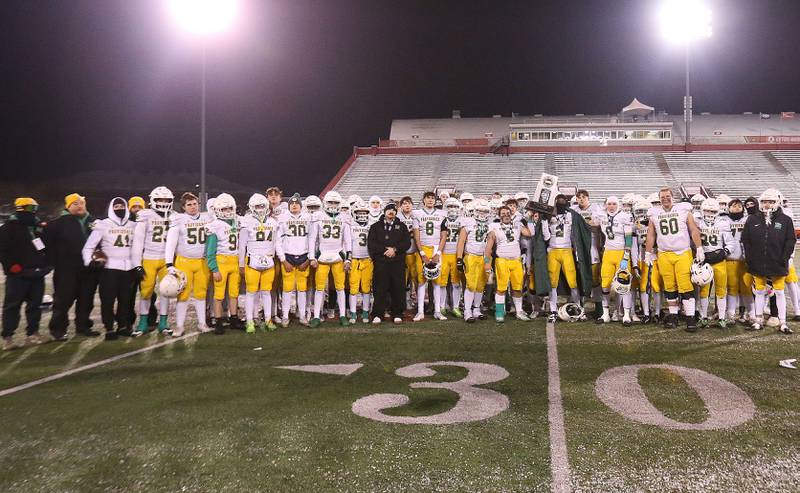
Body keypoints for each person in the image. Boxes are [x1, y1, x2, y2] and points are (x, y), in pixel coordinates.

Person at [644, 187, 703, 331]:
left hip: (682, 253)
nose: (665, 198)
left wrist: (699, 247)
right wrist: (648, 252)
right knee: (669, 287)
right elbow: (651, 235)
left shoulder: (683, 209)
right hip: (664, 254)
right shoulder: (654, 213)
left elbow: (693, 229)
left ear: (673, 197)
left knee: (686, 286)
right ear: (659, 199)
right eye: (662, 197)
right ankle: (673, 316)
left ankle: (690, 318)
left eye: (667, 196)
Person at [43, 193, 100, 339]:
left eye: (81, 203)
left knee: (86, 300)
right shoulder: (57, 224)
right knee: (63, 301)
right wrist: (54, 262)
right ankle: (58, 330)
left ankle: (83, 327)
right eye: (75, 204)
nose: (79, 206)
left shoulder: (94, 222)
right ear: (68, 207)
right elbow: (46, 245)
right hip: (66, 270)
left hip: (89, 269)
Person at [741, 188, 796, 333]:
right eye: (765, 201)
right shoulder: (752, 219)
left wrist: (784, 257)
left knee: (779, 292)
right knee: (759, 292)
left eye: (771, 202)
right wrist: (750, 258)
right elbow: (745, 240)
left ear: (777, 202)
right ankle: (758, 320)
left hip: (777, 263)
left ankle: (782, 322)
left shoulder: (785, 220)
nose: (767, 204)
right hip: (758, 263)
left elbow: (790, 241)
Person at [82, 197, 137, 340]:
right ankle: (109, 328)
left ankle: (123, 326)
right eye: (116, 206)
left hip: (128, 268)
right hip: (109, 268)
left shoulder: (133, 225)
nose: (119, 208)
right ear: (111, 208)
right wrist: (89, 262)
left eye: (122, 205)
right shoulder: (102, 224)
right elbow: (89, 246)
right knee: (108, 300)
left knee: (126, 300)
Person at [0, 198, 51, 349]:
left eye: (34, 207)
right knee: (12, 306)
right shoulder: (8, 227)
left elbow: (44, 248)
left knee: (35, 305)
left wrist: (46, 265)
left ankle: (32, 334)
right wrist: (11, 266)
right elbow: (2, 250)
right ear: (20, 208)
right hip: (17, 274)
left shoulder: (37, 227)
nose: (33, 211)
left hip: (36, 273)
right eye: (29, 207)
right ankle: (8, 337)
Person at [165, 192, 212, 336]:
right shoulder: (178, 219)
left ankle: (202, 323)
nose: (193, 207)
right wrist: (169, 263)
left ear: (199, 204)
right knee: (183, 294)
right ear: (183, 207)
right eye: (189, 205)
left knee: (201, 293)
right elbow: (171, 242)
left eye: (195, 204)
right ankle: (179, 326)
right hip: (184, 261)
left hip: (202, 261)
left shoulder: (207, 217)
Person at [131, 186, 175, 336]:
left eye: (166, 200)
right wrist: (137, 264)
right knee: (146, 292)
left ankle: (163, 323)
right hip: (149, 258)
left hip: (166, 260)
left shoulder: (174, 216)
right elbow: (138, 241)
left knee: (166, 291)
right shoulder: (145, 215)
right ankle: (143, 323)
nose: (163, 202)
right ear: (152, 201)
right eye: (160, 200)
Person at [308, 191, 352, 327]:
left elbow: (347, 240)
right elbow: (312, 238)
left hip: (338, 256)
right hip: (321, 256)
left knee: (340, 287)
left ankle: (343, 315)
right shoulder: (317, 216)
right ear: (325, 203)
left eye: (335, 203)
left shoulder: (344, 218)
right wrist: (311, 257)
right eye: (330, 202)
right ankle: (316, 315)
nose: (333, 205)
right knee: (320, 288)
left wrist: (348, 258)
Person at [484, 205, 533, 322]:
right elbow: (488, 249)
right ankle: (500, 311)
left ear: (511, 215)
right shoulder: (494, 227)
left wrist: (530, 219)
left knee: (517, 288)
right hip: (502, 261)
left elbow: (529, 233)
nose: (506, 216)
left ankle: (519, 311)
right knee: (501, 288)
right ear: (499, 216)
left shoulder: (517, 225)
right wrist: (487, 263)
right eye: (503, 214)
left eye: (508, 213)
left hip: (516, 261)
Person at [239, 193, 279, 332]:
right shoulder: (246, 221)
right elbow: (242, 245)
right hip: (252, 260)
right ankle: (250, 321)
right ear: (251, 207)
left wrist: (275, 256)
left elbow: (275, 243)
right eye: (257, 206)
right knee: (251, 293)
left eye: (262, 205)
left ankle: (268, 319)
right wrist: (241, 264)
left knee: (266, 292)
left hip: (268, 260)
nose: (260, 208)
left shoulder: (273, 222)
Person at [205, 193, 242, 334]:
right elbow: (210, 250)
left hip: (234, 261)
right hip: (221, 262)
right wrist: (214, 269)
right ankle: (218, 320)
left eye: (229, 208)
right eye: (225, 209)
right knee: (219, 294)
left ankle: (233, 319)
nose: (228, 211)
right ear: (219, 210)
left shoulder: (237, 221)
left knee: (234, 293)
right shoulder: (214, 225)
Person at [596, 196, 637, 325]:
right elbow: (592, 224)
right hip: (608, 253)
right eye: (609, 204)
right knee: (605, 284)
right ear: (606, 205)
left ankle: (626, 315)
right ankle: (606, 314)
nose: (611, 206)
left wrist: (626, 255)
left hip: (621, 253)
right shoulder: (602, 216)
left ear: (618, 205)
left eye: (614, 204)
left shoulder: (624, 216)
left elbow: (629, 238)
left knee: (624, 284)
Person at [368, 203, 411, 324]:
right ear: (384, 211)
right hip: (381, 262)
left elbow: (406, 243)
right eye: (389, 210)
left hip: (397, 262)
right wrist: (385, 250)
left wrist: (395, 249)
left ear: (396, 213)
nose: (391, 212)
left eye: (393, 210)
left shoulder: (402, 226)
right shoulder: (375, 226)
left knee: (398, 288)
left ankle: (397, 313)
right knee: (379, 288)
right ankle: (378, 314)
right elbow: (371, 244)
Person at [276, 193, 312, 328]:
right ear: (289, 206)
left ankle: (302, 316)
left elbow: (312, 240)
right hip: (288, 256)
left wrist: (308, 259)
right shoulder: (282, 218)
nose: (294, 205)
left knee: (302, 289)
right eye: (292, 204)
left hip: (303, 256)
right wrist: (283, 260)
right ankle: (285, 316)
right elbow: (278, 242)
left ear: (301, 206)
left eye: (297, 204)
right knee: (287, 289)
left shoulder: (308, 218)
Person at [412, 191, 447, 321]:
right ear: (423, 200)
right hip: (423, 249)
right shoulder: (417, 214)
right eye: (428, 198)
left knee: (437, 280)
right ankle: (420, 311)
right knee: (421, 281)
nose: (431, 200)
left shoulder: (442, 214)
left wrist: (438, 253)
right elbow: (416, 235)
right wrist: (422, 253)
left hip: (436, 248)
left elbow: (444, 235)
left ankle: (437, 311)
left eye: (433, 198)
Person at [349, 200, 374, 324]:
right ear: (354, 213)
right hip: (354, 259)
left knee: (366, 288)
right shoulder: (350, 224)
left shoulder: (371, 224)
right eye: (360, 212)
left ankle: (365, 311)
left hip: (367, 259)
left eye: (365, 212)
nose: (363, 214)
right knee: (353, 288)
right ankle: (353, 312)